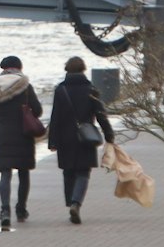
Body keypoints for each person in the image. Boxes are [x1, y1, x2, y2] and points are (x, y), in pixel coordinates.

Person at [48, 56, 115, 224]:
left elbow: (55, 117)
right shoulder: (91, 89)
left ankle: (70, 201)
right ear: (83, 70)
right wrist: (108, 134)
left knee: (68, 171)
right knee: (83, 172)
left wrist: (52, 141)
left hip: (65, 137)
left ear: (67, 70)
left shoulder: (60, 90)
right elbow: (100, 114)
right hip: (86, 136)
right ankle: (76, 203)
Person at [0, 55, 42, 231]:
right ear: (19, 68)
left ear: (3, 68)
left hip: (4, 135)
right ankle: (21, 209)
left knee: (5, 174)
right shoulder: (26, 87)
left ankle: (5, 211)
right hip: (23, 135)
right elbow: (38, 110)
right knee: (23, 173)